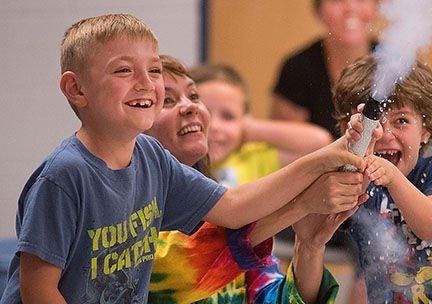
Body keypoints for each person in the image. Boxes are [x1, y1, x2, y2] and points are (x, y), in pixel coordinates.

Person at [0, 14, 369, 304]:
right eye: (124, 70)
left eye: (154, 70)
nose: (146, 83)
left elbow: (235, 209)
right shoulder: (66, 176)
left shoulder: (151, 159)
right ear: (76, 89)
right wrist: (307, 195)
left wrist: (324, 164)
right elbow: (38, 291)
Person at [146, 55, 370, 303]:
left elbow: (275, 298)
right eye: (167, 100)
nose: (192, 107)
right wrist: (303, 203)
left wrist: (309, 247)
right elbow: (189, 262)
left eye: (194, 96)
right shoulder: (133, 214)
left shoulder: (223, 197)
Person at [335, 55, 432, 303]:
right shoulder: (355, 185)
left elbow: (430, 224)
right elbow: (325, 221)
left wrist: (392, 177)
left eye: (401, 121)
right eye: (373, 123)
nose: (384, 134)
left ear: (425, 131)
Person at [189, 63, 333, 187]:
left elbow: (319, 142)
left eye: (228, 116)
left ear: (245, 119)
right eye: (203, 113)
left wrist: (250, 129)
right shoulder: (177, 161)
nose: (214, 126)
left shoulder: (253, 157)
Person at [272, 0, 378, 139]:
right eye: (337, 1)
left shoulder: (395, 63)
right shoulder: (298, 68)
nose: (350, 7)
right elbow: (285, 144)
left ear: (376, 7)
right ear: (318, 11)